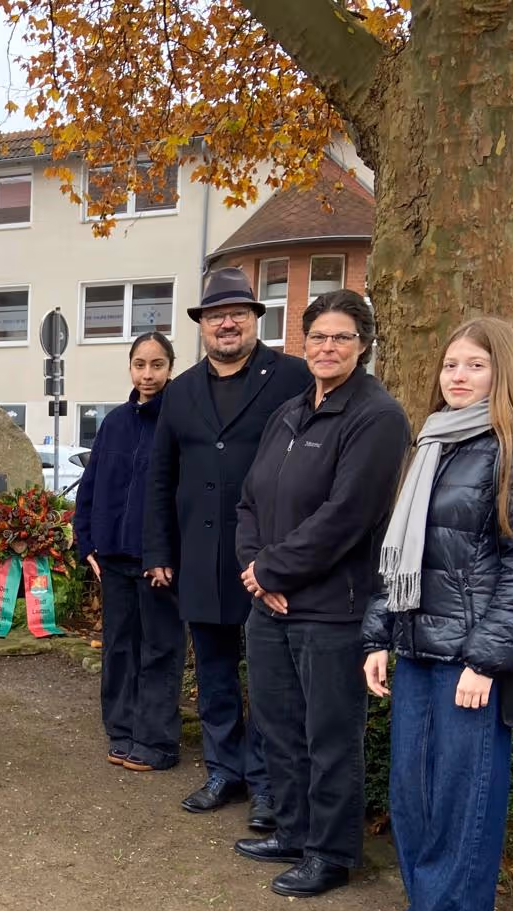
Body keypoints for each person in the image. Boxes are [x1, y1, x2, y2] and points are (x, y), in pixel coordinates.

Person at [363, 316, 513, 911]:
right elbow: (400, 557)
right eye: (451, 364)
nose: (458, 375)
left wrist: (487, 659)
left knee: (464, 799)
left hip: (468, 661)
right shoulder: (435, 445)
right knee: (416, 794)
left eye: (475, 365)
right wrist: (377, 637)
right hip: (419, 646)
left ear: (501, 372)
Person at [234, 288, 410, 897]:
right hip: (271, 606)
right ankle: (292, 830)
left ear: (362, 347)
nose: (327, 347)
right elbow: (250, 500)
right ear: (302, 343)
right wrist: (257, 570)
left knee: (330, 736)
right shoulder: (289, 412)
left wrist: (274, 572)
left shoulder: (377, 417)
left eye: (341, 337)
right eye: (317, 337)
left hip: (333, 610)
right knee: (278, 727)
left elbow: (348, 515)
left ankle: (332, 853)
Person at [144, 267, 313, 817]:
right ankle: (224, 770)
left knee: (267, 678)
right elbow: (161, 476)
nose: (227, 323)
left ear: (255, 319)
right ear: (202, 326)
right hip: (200, 557)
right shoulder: (182, 390)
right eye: (216, 315)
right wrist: (159, 552)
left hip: (268, 556)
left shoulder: (292, 377)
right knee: (215, 673)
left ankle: (266, 782)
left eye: (238, 313)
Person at [74, 332, 185, 771]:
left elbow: (182, 496)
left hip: (157, 562)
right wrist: (88, 544)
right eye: (140, 364)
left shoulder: (178, 423)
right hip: (114, 559)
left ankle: (156, 740)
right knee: (119, 648)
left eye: (157, 365)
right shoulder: (116, 423)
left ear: (170, 368)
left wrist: (169, 554)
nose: (148, 374)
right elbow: (91, 487)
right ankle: (121, 730)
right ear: (130, 368)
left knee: (159, 648)